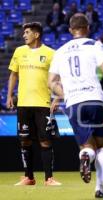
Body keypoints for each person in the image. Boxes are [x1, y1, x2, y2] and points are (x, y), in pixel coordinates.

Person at [48, 13, 103, 198]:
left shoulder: (60, 51)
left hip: (74, 103)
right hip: (95, 100)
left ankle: (85, 156)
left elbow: (51, 82)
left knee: (87, 146)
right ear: (88, 28)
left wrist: (66, 94)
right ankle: (100, 189)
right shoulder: (95, 44)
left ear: (70, 30)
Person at [6, 22, 61, 186]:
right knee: (25, 141)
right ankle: (29, 177)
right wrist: (10, 95)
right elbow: (13, 75)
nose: (24, 35)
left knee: (45, 141)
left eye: (27, 32)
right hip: (23, 103)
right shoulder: (19, 51)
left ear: (36, 35)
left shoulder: (51, 53)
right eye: (24, 33)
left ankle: (49, 178)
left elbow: (59, 78)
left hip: (43, 104)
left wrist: (57, 98)